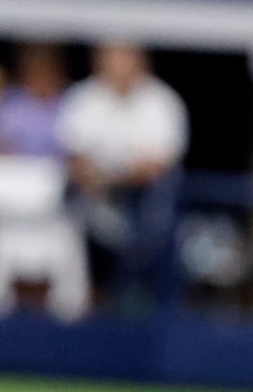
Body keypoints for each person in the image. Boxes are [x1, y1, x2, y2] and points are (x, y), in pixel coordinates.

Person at [57, 41, 189, 307]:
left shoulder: (161, 101)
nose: (116, 68)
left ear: (140, 63)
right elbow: (75, 156)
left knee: (162, 196)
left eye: (123, 60)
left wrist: (112, 177)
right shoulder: (83, 97)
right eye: (110, 60)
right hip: (91, 194)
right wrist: (98, 177)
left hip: (140, 197)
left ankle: (140, 297)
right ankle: (82, 300)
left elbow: (156, 166)